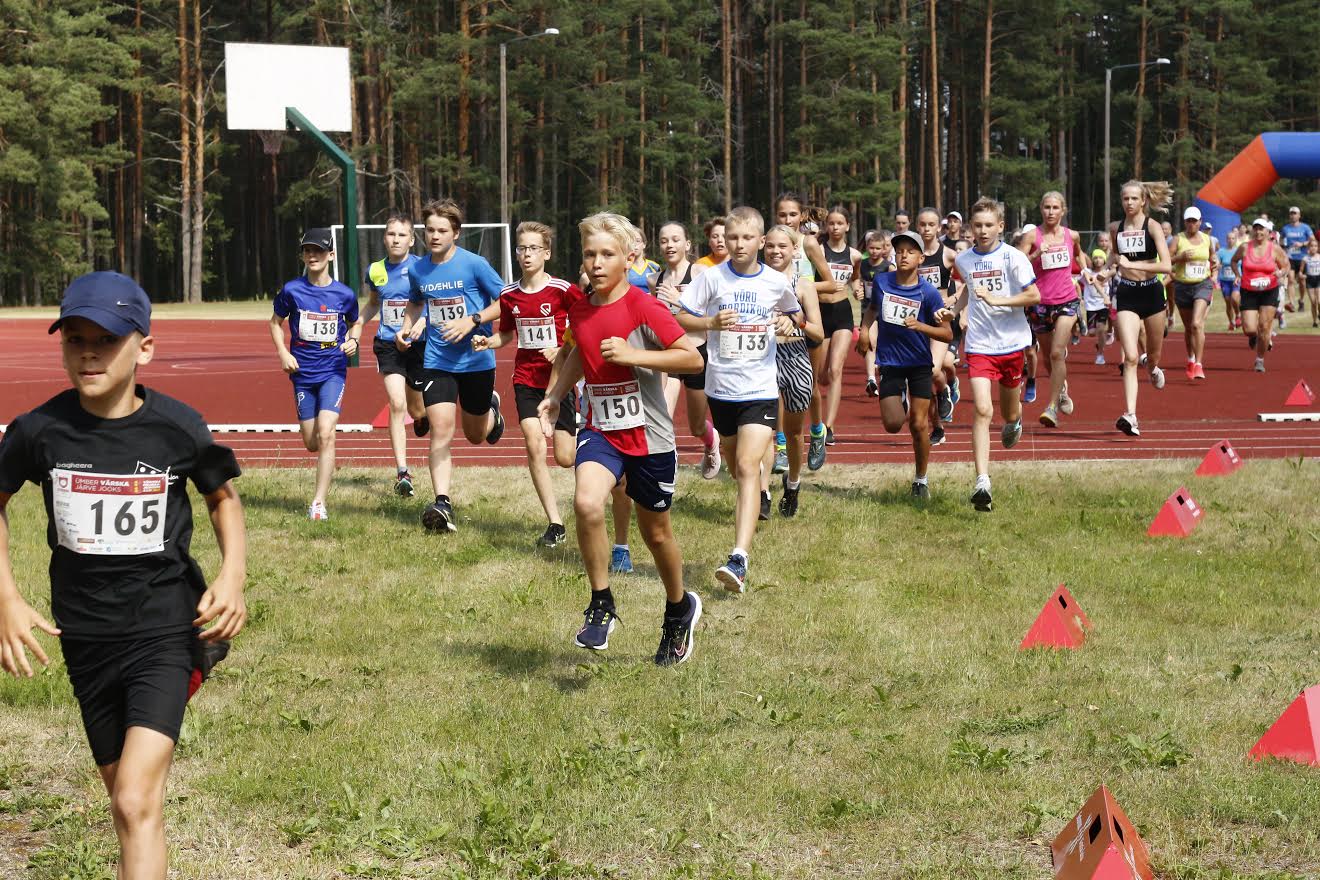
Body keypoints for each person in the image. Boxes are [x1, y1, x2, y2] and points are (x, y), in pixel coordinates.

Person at [0, 272, 247, 880]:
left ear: (144, 347)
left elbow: (223, 499)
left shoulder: (176, 426)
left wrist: (232, 576)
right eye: (75, 338)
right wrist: (6, 599)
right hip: (85, 638)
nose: (88, 352)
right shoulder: (39, 431)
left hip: (164, 628)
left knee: (134, 797)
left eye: (106, 340)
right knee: (131, 807)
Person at [537, 212, 703, 666]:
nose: (596, 262)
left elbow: (691, 360)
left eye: (607, 254)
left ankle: (678, 608)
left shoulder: (644, 307)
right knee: (587, 503)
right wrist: (554, 395)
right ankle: (601, 603)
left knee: (656, 533)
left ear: (630, 259)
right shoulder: (581, 306)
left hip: (649, 437)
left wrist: (634, 354)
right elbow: (577, 353)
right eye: (590, 254)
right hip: (601, 429)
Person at [677, 207, 801, 591]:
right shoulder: (712, 278)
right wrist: (710, 324)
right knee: (735, 466)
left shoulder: (775, 282)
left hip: (761, 390)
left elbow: (795, 318)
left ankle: (739, 558)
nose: (739, 244)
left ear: (761, 242)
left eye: (747, 238)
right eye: (732, 238)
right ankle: (753, 489)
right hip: (721, 389)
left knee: (748, 467)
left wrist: (786, 322)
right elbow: (682, 318)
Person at [397, 198, 506, 533]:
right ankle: (442, 502)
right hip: (437, 360)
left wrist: (473, 320)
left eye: (442, 230)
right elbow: (416, 303)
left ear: (455, 233)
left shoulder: (474, 265)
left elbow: (507, 302)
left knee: (475, 435)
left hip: (475, 359)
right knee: (441, 430)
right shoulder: (418, 268)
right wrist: (405, 327)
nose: (434, 236)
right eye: (429, 229)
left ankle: (491, 412)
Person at [471, 221, 581, 546]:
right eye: (522, 248)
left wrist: (563, 348)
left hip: (559, 382)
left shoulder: (563, 290)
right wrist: (487, 343)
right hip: (526, 380)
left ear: (546, 253)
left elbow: (586, 323)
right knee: (534, 442)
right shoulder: (509, 295)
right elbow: (507, 333)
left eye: (533, 248)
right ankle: (555, 523)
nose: (527, 254)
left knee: (565, 457)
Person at [949, 197, 1041, 512]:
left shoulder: (1013, 258)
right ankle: (982, 482)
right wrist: (953, 309)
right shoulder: (963, 260)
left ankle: (1014, 422)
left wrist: (998, 300)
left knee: (1009, 413)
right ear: (970, 228)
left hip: (1013, 344)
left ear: (1000, 226)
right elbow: (967, 291)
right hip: (979, 345)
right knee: (983, 411)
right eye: (978, 226)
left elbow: (1034, 295)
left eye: (989, 225)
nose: (984, 230)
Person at [269, 227, 362, 519]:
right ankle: (320, 479)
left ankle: (319, 503)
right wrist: (284, 353)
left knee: (327, 434)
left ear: (331, 255)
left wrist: (353, 341)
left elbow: (355, 322)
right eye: (308, 250)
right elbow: (275, 323)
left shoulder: (344, 294)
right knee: (311, 442)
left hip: (333, 371)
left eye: (319, 251)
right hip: (302, 374)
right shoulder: (292, 290)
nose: (313, 256)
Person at [859, 230, 953, 499]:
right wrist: (865, 331)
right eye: (899, 250)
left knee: (919, 425)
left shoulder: (929, 292)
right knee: (892, 423)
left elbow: (946, 333)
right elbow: (873, 309)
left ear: (921, 258)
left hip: (919, 363)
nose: (903, 255)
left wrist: (921, 326)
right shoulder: (882, 281)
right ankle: (900, 397)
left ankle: (921, 479)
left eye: (910, 251)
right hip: (890, 361)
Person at [358, 213, 427, 497]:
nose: (396, 239)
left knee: (417, 410)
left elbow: (432, 306)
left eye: (402, 235)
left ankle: (420, 416)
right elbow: (374, 303)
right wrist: (359, 323)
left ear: (411, 240)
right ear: (384, 238)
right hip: (388, 344)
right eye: (391, 234)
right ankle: (402, 473)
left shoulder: (423, 269)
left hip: (419, 344)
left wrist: (418, 326)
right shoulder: (375, 271)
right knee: (396, 404)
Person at [762, 224, 824, 517]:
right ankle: (762, 492)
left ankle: (794, 483)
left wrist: (795, 321)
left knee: (794, 433)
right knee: (762, 428)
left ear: (794, 249)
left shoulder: (804, 285)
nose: (776, 251)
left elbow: (818, 334)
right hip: (762, 356)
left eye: (782, 246)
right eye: (771, 246)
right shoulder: (755, 281)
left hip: (796, 355)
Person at [651, 220, 721, 480]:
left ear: (687, 244)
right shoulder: (654, 279)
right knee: (662, 417)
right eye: (664, 240)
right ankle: (665, 470)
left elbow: (712, 312)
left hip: (696, 354)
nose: (670, 245)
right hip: (669, 355)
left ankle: (711, 442)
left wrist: (680, 302)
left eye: (675, 239)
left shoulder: (701, 272)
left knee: (695, 424)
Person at [774, 192, 838, 471]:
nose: (787, 220)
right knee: (775, 388)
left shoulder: (808, 243)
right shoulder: (774, 243)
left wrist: (802, 287)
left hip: (808, 322)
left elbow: (831, 283)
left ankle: (817, 432)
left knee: (809, 386)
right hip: (780, 329)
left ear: (801, 216)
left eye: (792, 214)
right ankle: (779, 445)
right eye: (782, 215)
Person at [1108, 181, 1174, 436]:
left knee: (1152, 355)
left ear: (1143, 201)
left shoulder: (1153, 226)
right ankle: (1131, 415)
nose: (1129, 203)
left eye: (1134, 199)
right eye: (1125, 199)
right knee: (1131, 357)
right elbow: (1117, 259)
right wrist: (1106, 272)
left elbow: (1166, 266)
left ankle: (1155, 368)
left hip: (1152, 293)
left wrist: (1136, 266)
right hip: (1126, 294)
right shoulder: (1116, 228)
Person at [1018, 191, 1084, 427]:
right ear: (1041, 209)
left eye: (1055, 208)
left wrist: (1084, 273)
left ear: (1063, 211)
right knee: (1048, 357)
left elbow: (1079, 254)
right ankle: (1062, 388)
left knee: (1057, 352)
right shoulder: (1031, 235)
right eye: (1047, 207)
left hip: (1066, 300)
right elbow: (1017, 265)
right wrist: (1037, 253)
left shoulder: (1072, 235)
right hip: (1039, 303)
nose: (1051, 212)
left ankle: (1052, 407)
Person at [818, 206, 863, 446]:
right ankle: (822, 422)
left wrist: (856, 289)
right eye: (831, 223)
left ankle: (828, 426)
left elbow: (855, 277)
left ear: (847, 226)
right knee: (821, 376)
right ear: (827, 226)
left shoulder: (854, 255)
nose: (835, 227)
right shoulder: (818, 251)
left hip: (842, 313)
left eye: (839, 223)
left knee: (836, 370)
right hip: (820, 313)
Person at [915, 208, 959, 445]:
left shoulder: (950, 255)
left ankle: (944, 392)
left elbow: (966, 283)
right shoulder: (912, 254)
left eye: (931, 224)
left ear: (939, 228)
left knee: (933, 370)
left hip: (940, 319)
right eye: (922, 224)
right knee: (923, 376)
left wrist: (952, 302)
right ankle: (938, 426)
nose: (927, 229)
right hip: (918, 319)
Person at [1231, 218, 1289, 372]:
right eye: (1256, 228)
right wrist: (1237, 274)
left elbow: (1286, 265)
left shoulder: (1275, 248)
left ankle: (1259, 360)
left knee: (1264, 326)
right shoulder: (1244, 247)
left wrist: (1281, 272)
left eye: (1261, 229)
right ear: (1252, 231)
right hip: (1249, 290)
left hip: (1269, 290)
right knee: (1249, 329)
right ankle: (1255, 337)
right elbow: (1233, 261)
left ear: (1268, 232)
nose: (1258, 232)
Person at [1170, 206, 1217, 380]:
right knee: (1189, 328)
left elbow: (1212, 257)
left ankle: (1199, 364)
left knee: (1197, 324)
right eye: (1188, 221)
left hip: (1202, 284)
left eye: (1194, 221)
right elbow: (1167, 260)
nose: (1191, 224)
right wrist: (1179, 258)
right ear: (1185, 222)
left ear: (1200, 222)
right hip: (1182, 285)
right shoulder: (1178, 239)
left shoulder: (1207, 239)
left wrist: (1215, 263)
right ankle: (1190, 359)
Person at [858, 230, 894, 397]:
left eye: (878, 248)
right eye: (871, 248)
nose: (874, 251)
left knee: (884, 343)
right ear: (867, 247)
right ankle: (871, 379)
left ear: (883, 250)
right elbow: (855, 280)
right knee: (870, 341)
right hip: (868, 309)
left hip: (886, 310)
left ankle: (886, 371)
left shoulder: (888, 266)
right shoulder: (862, 264)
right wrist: (856, 290)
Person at [1080, 249, 1113, 365]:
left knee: (1100, 328)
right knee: (1092, 332)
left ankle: (1100, 354)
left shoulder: (1107, 272)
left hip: (1103, 305)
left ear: (1104, 260)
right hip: (1090, 307)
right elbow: (1080, 258)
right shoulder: (1087, 272)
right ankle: (1100, 343)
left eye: (1100, 257)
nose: (1098, 260)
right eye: (1095, 258)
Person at [1280, 206, 1314, 312]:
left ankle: (1301, 300)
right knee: (1290, 279)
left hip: (1302, 258)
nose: (1293, 215)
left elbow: (1312, 240)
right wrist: (1283, 248)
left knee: (1302, 281)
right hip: (1290, 257)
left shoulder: (1305, 228)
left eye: (1295, 213)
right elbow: (1281, 239)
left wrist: (1302, 244)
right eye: (1291, 213)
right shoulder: (1285, 228)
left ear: (1299, 215)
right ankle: (1291, 303)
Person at [1216, 228, 1242, 331]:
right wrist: (1218, 265)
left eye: (1233, 238)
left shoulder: (1239, 250)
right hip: (1224, 280)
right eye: (1229, 238)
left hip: (1236, 279)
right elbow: (1217, 263)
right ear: (1226, 240)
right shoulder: (1221, 251)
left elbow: (1244, 264)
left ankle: (1238, 315)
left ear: (1236, 240)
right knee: (1228, 302)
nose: (1230, 240)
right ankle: (1231, 322)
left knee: (1234, 299)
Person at [1303, 239, 1320, 328]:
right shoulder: (1305, 259)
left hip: (1318, 279)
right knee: (1313, 302)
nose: (1313, 248)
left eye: (1315, 246)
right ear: (1309, 247)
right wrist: (1302, 276)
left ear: (1318, 247)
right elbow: (1300, 273)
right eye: (1312, 246)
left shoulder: (1319, 257)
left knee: (1319, 300)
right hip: (1309, 280)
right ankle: (1315, 321)